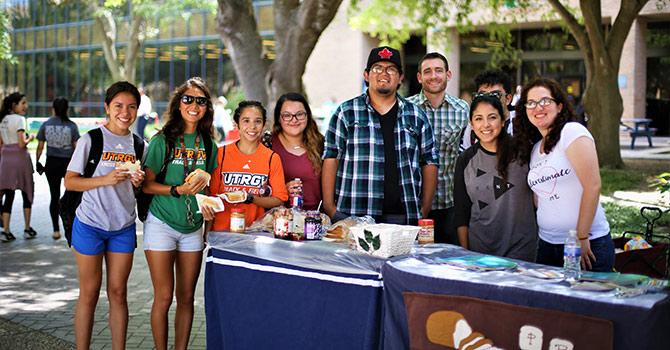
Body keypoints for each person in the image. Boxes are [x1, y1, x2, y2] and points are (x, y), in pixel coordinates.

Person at [64, 81, 146, 349]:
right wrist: (106, 179)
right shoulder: (91, 139)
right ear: (107, 108)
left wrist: (138, 182)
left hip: (123, 227)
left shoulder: (138, 144)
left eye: (132, 106)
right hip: (90, 224)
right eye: (119, 106)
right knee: (88, 294)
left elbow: (141, 186)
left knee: (119, 293)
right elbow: (71, 182)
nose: (125, 112)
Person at [140, 77, 217, 350]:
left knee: (186, 298)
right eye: (188, 99)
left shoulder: (208, 144)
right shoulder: (162, 140)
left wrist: (206, 179)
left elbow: (213, 188)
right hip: (161, 224)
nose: (194, 105)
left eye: (201, 101)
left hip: (193, 228)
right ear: (178, 103)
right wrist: (178, 190)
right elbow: (147, 185)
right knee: (163, 297)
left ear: (207, 107)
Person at [323, 46, 438, 225]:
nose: (384, 73)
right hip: (353, 215)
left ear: (400, 77)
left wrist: (424, 209)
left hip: (403, 217)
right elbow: (331, 157)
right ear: (366, 75)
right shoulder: (346, 113)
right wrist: (330, 208)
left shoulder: (416, 116)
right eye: (377, 68)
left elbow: (429, 162)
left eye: (391, 69)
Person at [515, 77, 614, 272]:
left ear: (559, 106)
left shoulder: (572, 132)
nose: (538, 107)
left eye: (545, 101)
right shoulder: (535, 149)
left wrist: (582, 236)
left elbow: (592, 186)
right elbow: (541, 197)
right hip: (546, 245)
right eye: (531, 103)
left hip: (585, 244)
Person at [453, 95, 537, 262]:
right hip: (480, 252)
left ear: (503, 120)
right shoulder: (465, 159)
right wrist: (467, 254)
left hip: (522, 251)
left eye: (492, 117)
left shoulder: (524, 152)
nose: (486, 125)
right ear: (471, 123)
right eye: (478, 118)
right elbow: (461, 212)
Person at [407, 52, 467, 240]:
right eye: (428, 71)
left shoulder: (463, 110)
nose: (433, 76)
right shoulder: (406, 109)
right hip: (413, 205)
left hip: (450, 205)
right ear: (419, 77)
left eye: (439, 70)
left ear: (448, 75)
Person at [203, 101, 288, 231]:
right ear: (236, 124)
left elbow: (279, 198)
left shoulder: (272, 158)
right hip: (221, 231)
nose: (252, 126)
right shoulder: (221, 154)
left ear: (264, 125)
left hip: (254, 231)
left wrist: (250, 198)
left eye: (258, 121)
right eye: (246, 121)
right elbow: (212, 196)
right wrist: (206, 236)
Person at [36, 97, 80, 240]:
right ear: (67, 109)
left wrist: (37, 162)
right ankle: (71, 225)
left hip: (52, 164)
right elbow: (76, 147)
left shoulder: (46, 125)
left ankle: (56, 230)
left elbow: (40, 147)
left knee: (54, 196)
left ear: (53, 108)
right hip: (69, 165)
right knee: (71, 197)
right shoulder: (72, 126)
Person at [271, 92, 324, 211]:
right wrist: (282, 190)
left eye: (299, 114)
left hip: (316, 219)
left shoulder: (321, 144)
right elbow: (258, 189)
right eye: (287, 115)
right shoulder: (267, 145)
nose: (294, 120)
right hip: (278, 220)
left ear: (308, 116)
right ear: (279, 118)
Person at [0, 92, 36, 242]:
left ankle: (6, 230)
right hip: (20, 158)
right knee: (26, 192)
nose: (25, 106)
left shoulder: (2, 120)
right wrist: (30, 138)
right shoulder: (20, 120)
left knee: (9, 194)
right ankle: (27, 228)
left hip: (5, 158)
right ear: (14, 105)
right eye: (23, 103)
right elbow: (21, 143)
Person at [459, 69, 515, 152]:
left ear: (508, 99)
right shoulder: (471, 128)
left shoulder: (520, 123)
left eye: (495, 95)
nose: (488, 100)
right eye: (482, 95)